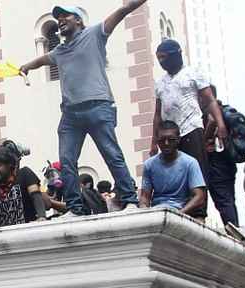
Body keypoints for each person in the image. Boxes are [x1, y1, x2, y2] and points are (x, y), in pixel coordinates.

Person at [17, 1, 147, 214]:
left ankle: (130, 200)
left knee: (112, 155)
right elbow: (42, 60)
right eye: (58, 19)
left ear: (78, 20)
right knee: (67, 161)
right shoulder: (60, 51)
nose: (60, 21)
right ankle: (75, 209)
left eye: (65, 16)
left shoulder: (95, 34)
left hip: (97, 106)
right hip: (70, 114)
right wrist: (27, 67)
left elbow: (123, 10)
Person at [151, 39, 224, 191]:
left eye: (163, 57)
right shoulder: (160, 82)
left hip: (191, 129)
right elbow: (157, 114)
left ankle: (199, 212)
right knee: (174, 174)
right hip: (169, 135)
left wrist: (221, 124)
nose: (161, 61)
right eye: (158, 58)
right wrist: (153, 141)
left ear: (175, 54)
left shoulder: (194, 73)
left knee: (196, 173)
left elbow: (210, 101)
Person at [139, 121, 207, 218]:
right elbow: (145, 197)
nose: (166, 143)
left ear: (178, 140)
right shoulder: (149, 164)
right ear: (157, 140)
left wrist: (179, 214)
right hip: (157, 212)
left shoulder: (190, 163)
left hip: (182, 211)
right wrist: (144, 212)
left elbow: (199, 196)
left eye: (171, 139)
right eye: (162, 140)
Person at [204, 85, 240, 227]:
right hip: (227, 161)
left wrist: (203, 141)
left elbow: (212, 121)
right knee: (228, 199)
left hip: (216, 163)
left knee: (223, 200)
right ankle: (235, 228)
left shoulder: (212, 109)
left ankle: (233, 230)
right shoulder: (224, 110)